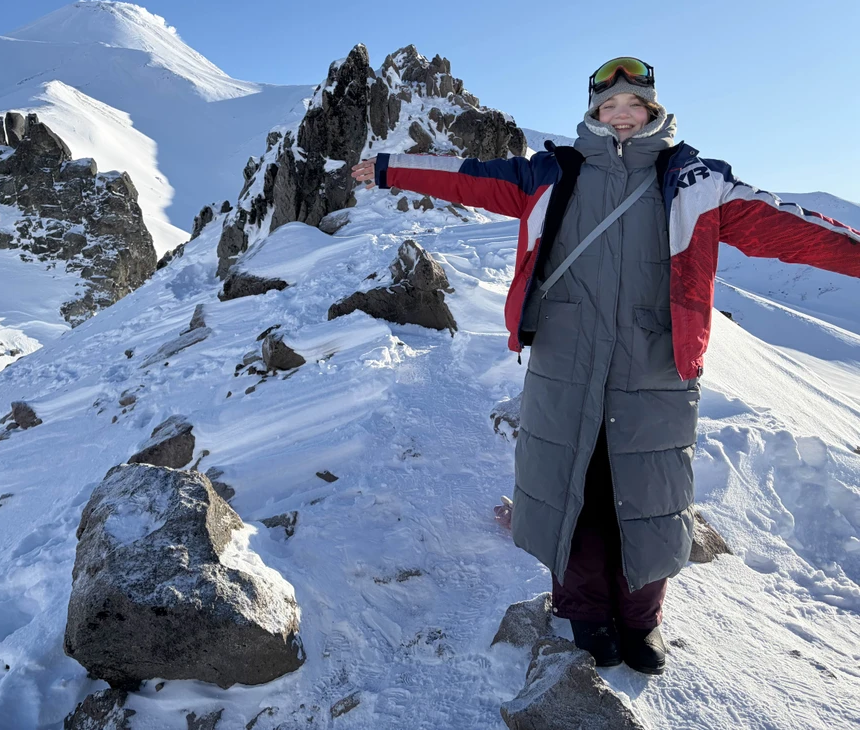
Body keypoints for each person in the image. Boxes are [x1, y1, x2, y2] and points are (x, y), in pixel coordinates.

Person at [350, 57, 860, 675]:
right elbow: (467, 176)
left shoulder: (695, 181)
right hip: (567, 355)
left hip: (655, 364)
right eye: (609, 107)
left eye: (633, 105)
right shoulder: (552, 172)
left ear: (652, 110)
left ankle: (642, 621)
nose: (621, 116)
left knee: (649, 492)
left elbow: (788, 228)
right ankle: (584, 611)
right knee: (576, 486)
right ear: (593, 113)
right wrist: (385, 169)